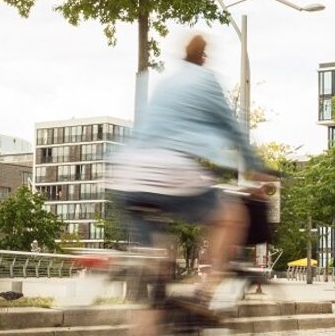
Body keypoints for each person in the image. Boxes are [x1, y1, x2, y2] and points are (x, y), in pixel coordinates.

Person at [109, 34, 272, 316]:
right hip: (169, 169)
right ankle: (203, 293)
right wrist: (255, 168)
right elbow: (233, 129)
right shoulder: (206, 81)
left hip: (128, 173)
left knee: (155, 265)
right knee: (231, 216)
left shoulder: (166, 83)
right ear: (204, 57)